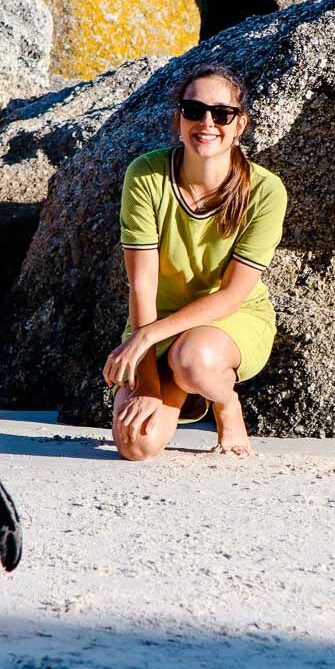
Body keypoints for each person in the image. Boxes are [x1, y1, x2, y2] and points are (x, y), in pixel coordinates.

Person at [103, 64, 288, 460]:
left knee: (192, 361)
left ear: (240, 125)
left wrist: (146, 339)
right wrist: (148, 380)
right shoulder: (146, 175)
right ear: (178, 118)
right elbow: (142, 285)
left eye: (222, 114)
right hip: (156, 320)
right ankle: (173, 384)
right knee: (137, 444)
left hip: (227, 322)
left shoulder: (266, 190)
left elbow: (232, 295)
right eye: (194, 110)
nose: (207, 122)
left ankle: (225, 404)